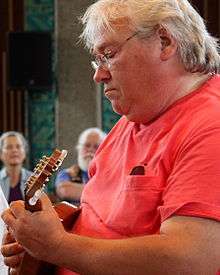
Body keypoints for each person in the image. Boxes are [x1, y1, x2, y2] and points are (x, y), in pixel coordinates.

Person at [1, 0, 220, 274]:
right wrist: (37, 249)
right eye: (97, 59)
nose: (98, 74)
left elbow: (193, 259)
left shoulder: (211, 124)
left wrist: (57, 247)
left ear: (164, 41)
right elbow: (99, 221)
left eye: (109, 54)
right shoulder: (133, 118)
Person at [55, 127, 106, 205]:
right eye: (87, 145)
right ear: (79, 148)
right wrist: (104, 192)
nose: (90, 150)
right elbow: (65, 191)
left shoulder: (109, 174)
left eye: (96, 147)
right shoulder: (67, 174)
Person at [0, 131, 32, 204]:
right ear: (1, 154)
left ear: (24, 153)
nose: (14, 150)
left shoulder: (36, 179)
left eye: (18, 146)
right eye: (9, 147)